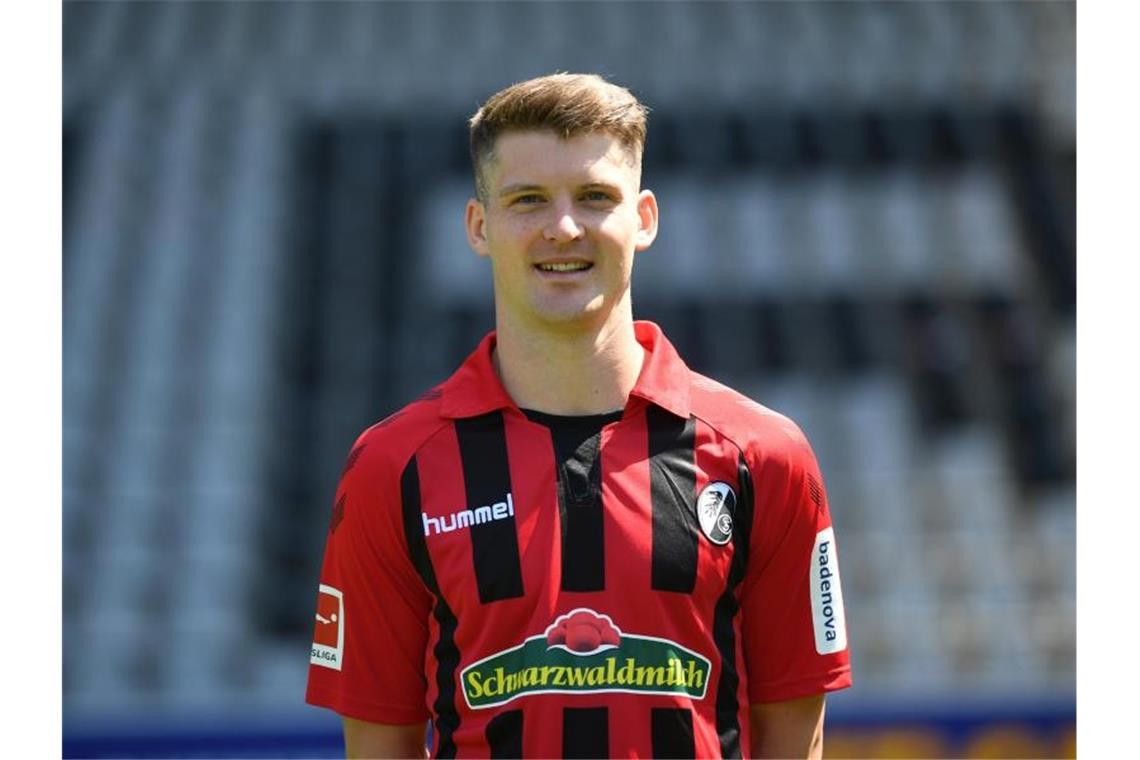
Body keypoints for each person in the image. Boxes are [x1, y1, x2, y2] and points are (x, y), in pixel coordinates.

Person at [306, 73, 852, 759]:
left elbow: (794, 737)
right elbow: (378, 747)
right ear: (480, 226)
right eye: (527, 200)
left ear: (644, 218)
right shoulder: (393, 467)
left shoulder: (765, 455)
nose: (563, 228)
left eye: (595, 197)